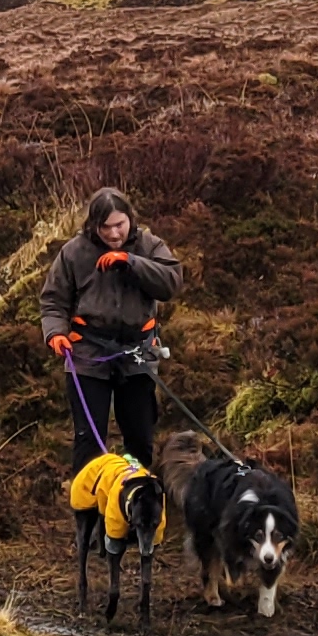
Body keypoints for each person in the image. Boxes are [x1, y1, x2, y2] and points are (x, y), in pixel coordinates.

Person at [39, 186, 183, 469]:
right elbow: (53, 300)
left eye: (119, 225)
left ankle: (136, 504)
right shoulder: (74, 252)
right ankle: (89, 510)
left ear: (130, 218)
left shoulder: (150, 245)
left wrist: (131, 263)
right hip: (88, 354)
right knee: (89, 441)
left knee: (140, 440)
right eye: (105, 227)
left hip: (139, 352)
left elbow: (171, 283)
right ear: (94, 225)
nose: (114, 234)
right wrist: (54, 332)